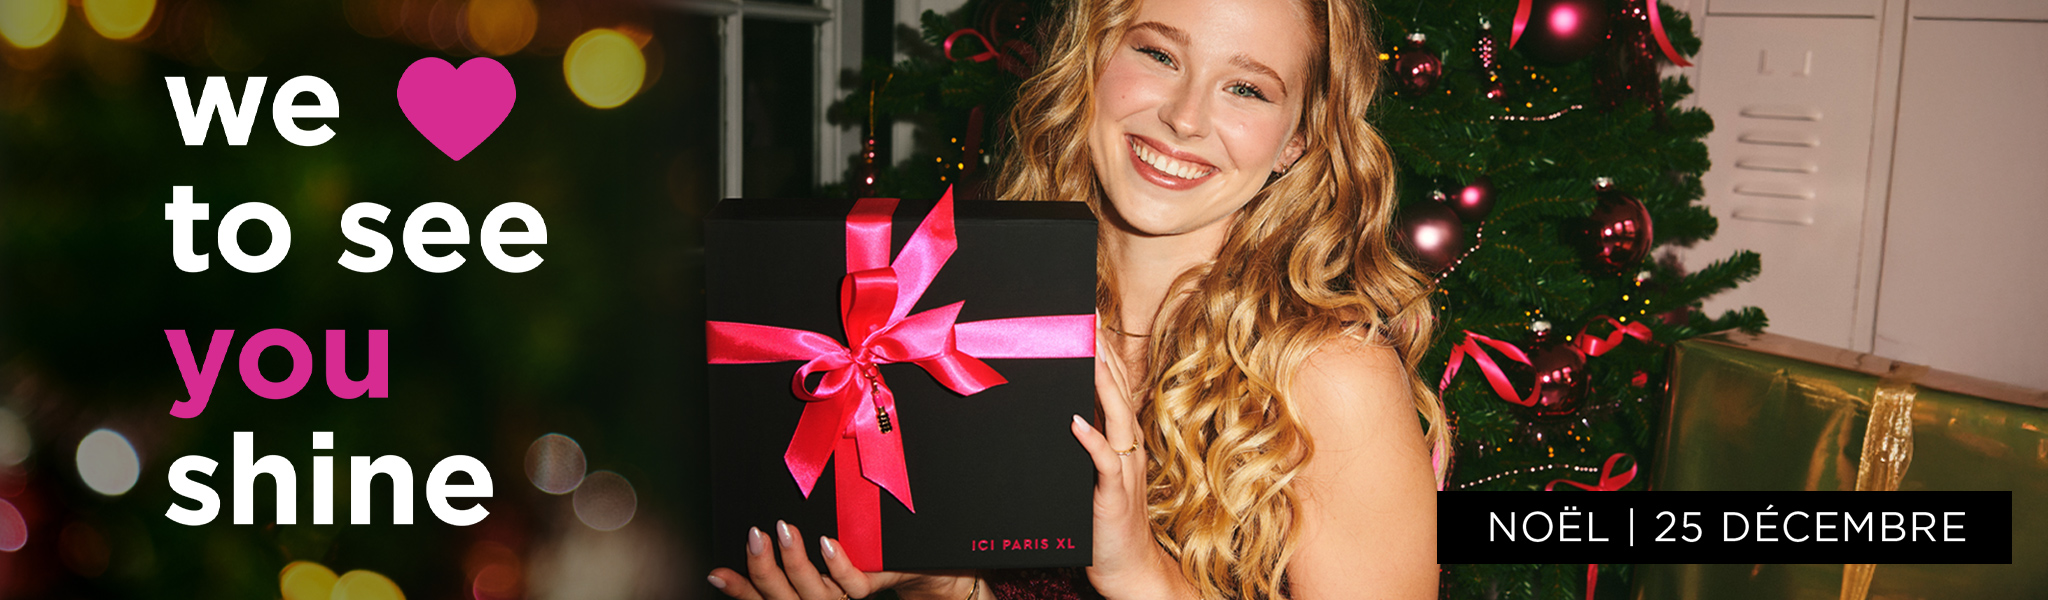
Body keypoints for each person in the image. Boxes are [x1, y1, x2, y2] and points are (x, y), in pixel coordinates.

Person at [708, 0, 1446, 597]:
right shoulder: (985, 324)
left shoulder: (1334, 379)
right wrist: (934, 577)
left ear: (1295, 139)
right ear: (1093, 57)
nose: (1184, 118)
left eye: (1246, 88)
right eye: (1158, 54)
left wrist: (1140, 573)